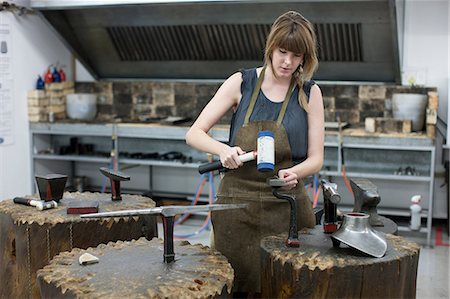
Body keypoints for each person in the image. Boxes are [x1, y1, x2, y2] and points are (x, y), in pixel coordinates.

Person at [186, 10, 324, 295]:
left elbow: (316, 158)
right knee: (233, 287)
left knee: (288, 288)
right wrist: (223, 151)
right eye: (282, 51)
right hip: (237, 211)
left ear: (305, 58)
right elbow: (194, 133)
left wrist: (294, 172)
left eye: (296, 55)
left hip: (287, 210)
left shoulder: (310, 93)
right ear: (271, 47)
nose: (288, 62)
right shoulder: (241, 82)